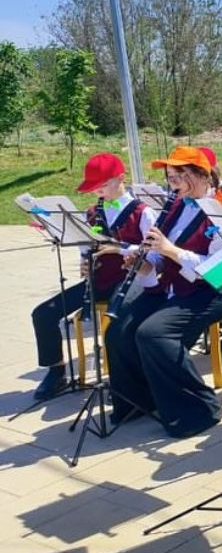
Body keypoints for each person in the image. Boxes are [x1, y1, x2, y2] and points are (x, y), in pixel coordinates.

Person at [103, 146, 222, 437]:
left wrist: (170, 250)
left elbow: (214, 267)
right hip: (174, 286)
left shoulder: (221, 211)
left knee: (153, 334)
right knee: (118, 330)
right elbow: (160, 260)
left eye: (179, 177)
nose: (173, 185)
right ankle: (138, 400)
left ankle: (200, 408)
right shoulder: (176, 206)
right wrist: (144, 262)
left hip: (210, 291)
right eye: (171, 178)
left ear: (202, 175)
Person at [28, 153, 157, 400]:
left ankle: (125, 382)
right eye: (94, 187)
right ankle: (56, 371)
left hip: (132, 281)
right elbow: (85, 247)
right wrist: (85, 261)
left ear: (121, 178)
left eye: (103, 185)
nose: (98, 191)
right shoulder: (91, 213)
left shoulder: (143, 212)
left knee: (116, 325)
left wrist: (118, 249)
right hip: (100, 280)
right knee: (43, 313)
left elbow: (153, 253)